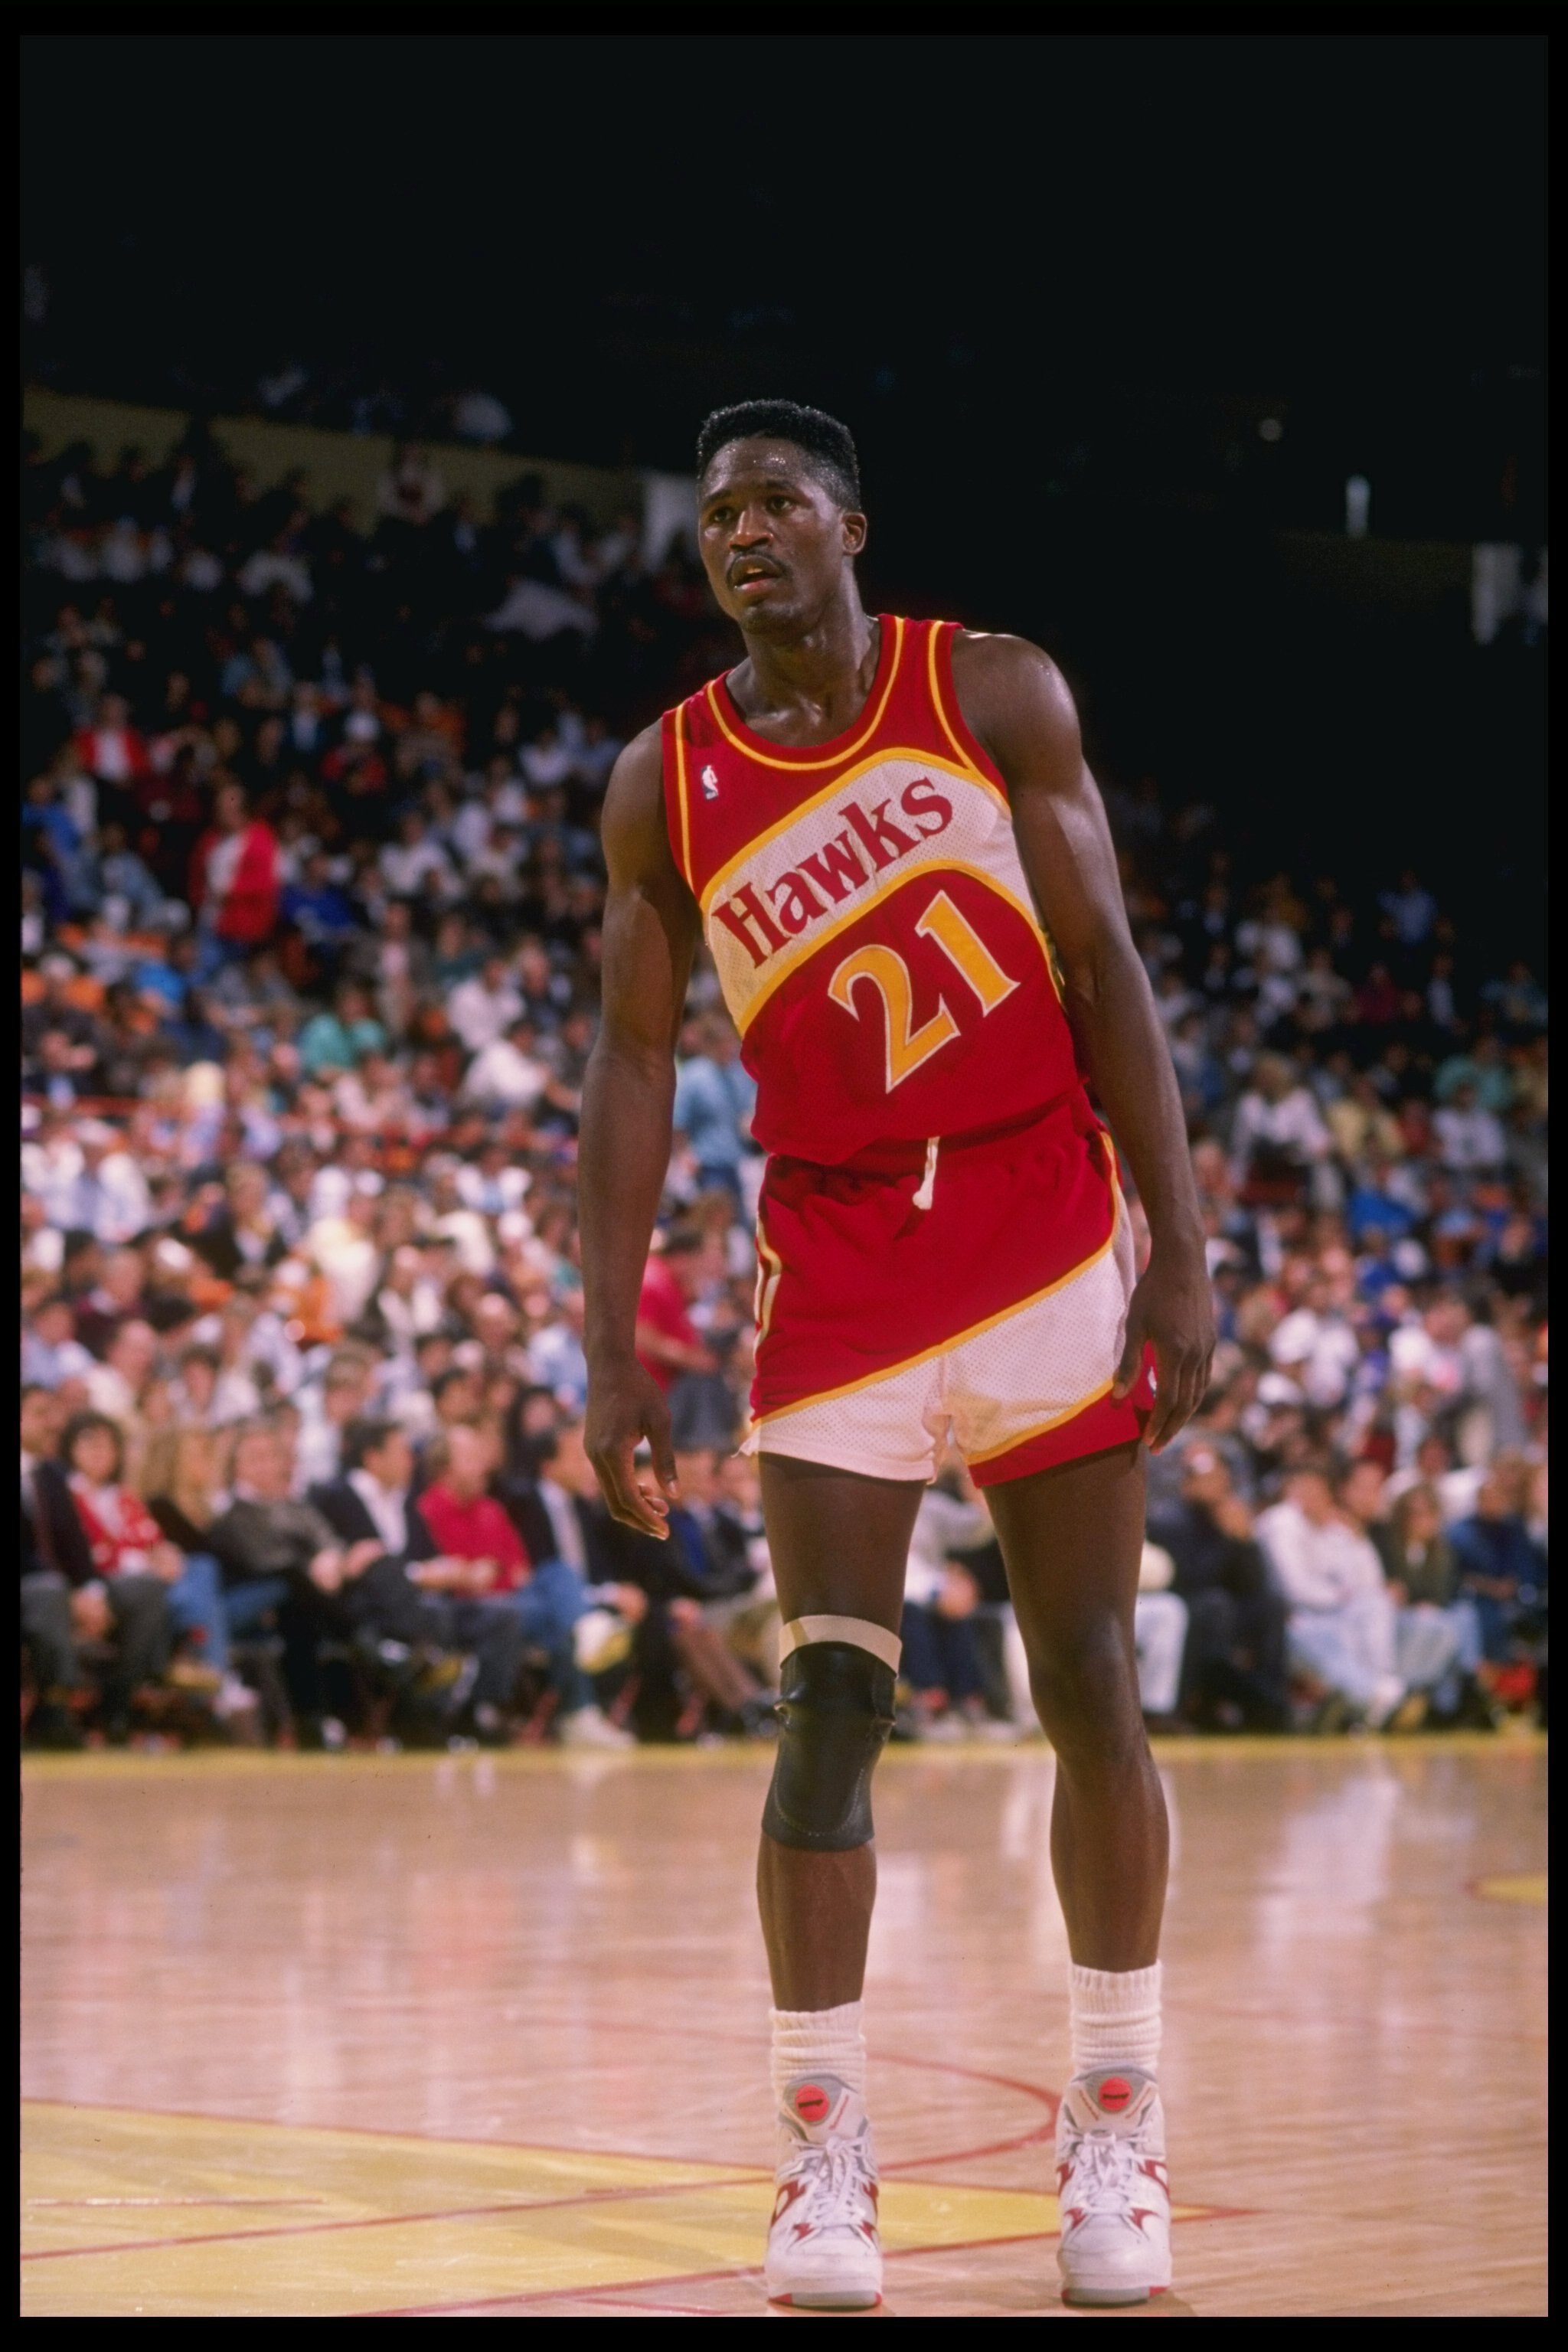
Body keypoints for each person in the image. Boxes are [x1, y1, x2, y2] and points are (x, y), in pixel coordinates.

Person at [578, 401, 1214, 2309]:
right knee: (828, 1709)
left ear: (852, 525)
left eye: (777, 503)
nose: (743, 533)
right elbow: (628, 1065)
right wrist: (605, 1349)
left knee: (1088, 1683)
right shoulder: (662, 780)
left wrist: (1179, 1249)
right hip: (838, 1251)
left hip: (1035, 1221)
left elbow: (1103, 968)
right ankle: (818, 2164)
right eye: (717, 516)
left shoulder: (991, 691)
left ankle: (1115, 2130)